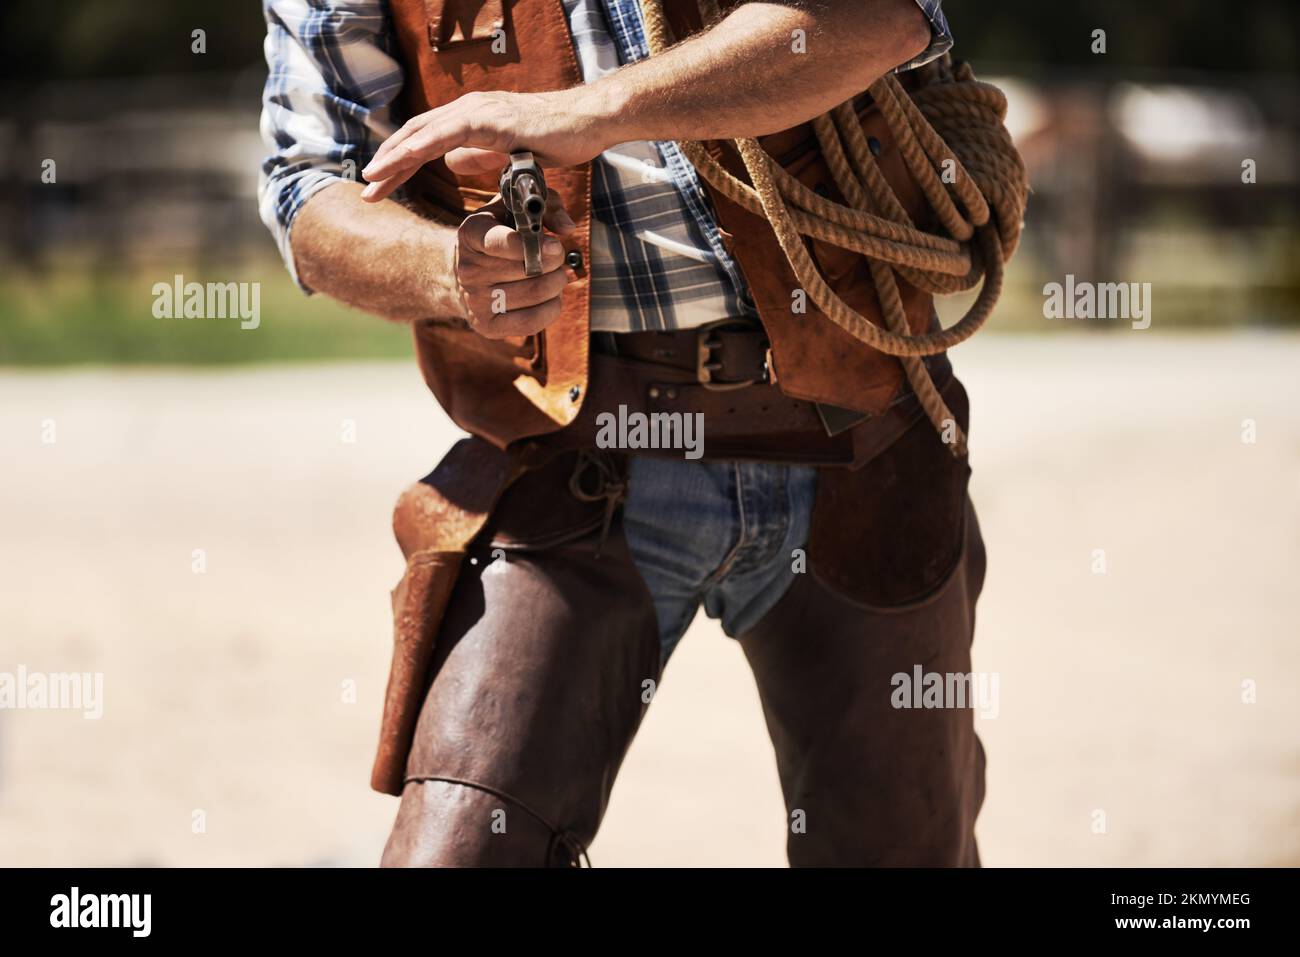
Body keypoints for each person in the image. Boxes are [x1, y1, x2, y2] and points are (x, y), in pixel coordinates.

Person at [260, 0, 1007, 866]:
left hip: (857, 429)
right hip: (575, 447)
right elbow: (309, 187)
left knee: (905, 849)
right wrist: (449, 269)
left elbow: (879, 17)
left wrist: (580, 115)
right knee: (458, 854)